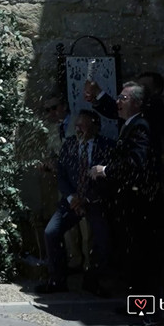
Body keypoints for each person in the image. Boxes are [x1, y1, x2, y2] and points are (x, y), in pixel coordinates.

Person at [89, 82, 163, 325]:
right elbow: (110, 108)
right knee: (132, 256)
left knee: (143, 257)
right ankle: (137, 305)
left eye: (123, 98)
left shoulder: (141, 127)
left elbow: (136, 163)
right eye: (118, 98)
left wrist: (106, 170)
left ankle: (148, 313)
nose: (118, 102)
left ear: (137, 103)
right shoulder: (129, 124)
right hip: (129, 203)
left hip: (141, 203)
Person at [36, 110, 114, 296]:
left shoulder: (107, 146)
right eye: (77, 125)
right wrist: (72, 198)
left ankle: (92, 280)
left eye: (83, 125)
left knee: (102, 239)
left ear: (95, 126)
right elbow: (62, 174)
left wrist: (86, 198)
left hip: (94, 201)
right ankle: (57, 279)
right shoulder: (70, 144)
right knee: (51, 232)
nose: (78, 128)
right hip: (72, 200)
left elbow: (109, 180)